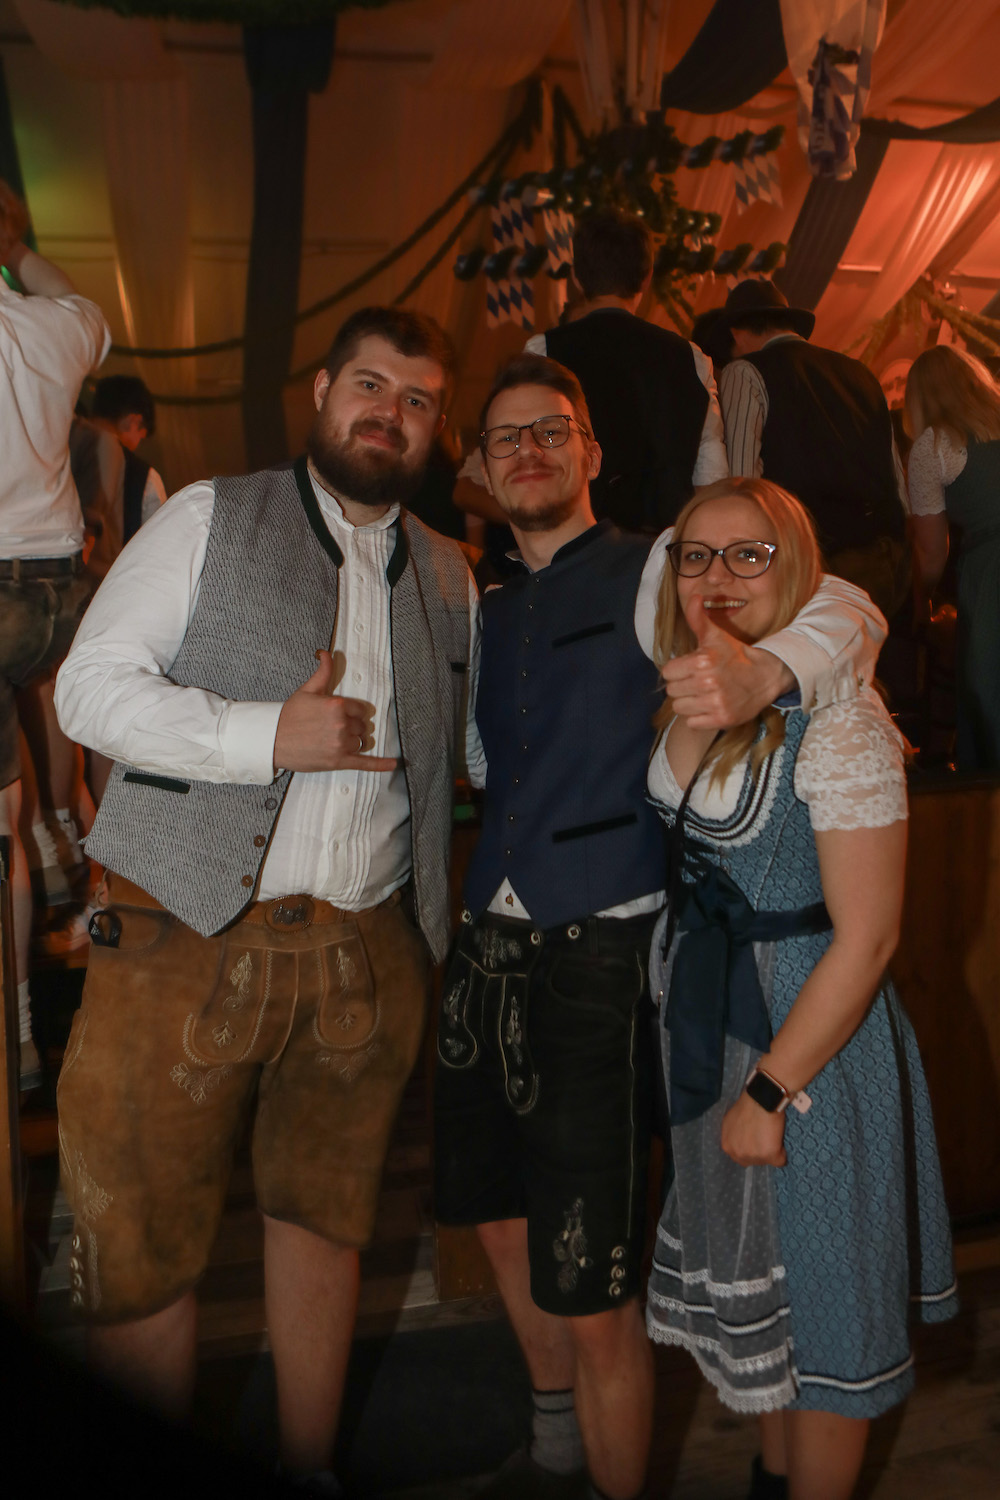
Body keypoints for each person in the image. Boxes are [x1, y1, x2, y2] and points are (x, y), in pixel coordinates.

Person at [433, 353, 888, 1500]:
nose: (530, 450)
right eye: (506, 437)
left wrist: (765, 674)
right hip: (485, 944)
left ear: (590, 451)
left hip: (598, 944)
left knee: (591, 1264)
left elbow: (846, 603)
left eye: (553, 429)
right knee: (495, 1217)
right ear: (479, 466)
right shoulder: (487, 602)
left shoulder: (659, 566)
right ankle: (552, 1445)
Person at [54, 306, 478, 1494]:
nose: (389, 412)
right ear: (324, 391)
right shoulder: (207, 514)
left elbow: (469, 748)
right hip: (178, 941)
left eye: (417, 400)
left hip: (366, 953)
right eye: (370, 384)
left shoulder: (452, 571)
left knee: (328, 1226)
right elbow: (87, 688)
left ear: (435, 429)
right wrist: (262, 736)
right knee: (142, 1252)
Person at [644, 477, 956, 1500]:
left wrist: (770, 1089)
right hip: (716, 1029)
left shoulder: (841, 720)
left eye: (751, 554)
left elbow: (868, 941)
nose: (719, 577)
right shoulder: (692, 691)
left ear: (798, 574)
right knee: (770, 1312)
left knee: (826, 1314)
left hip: (807, 1045)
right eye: (697, 555)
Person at [0, 178, 110, 1088]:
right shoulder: (52, 327)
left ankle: (18, 1035)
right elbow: (83, 306)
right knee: (41, 710)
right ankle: (59, 836)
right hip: (53, 589)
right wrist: (15, 247)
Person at [524, 207, 729, 531]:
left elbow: (530, 460)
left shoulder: (544, 351)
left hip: (574, 543)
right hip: (663, 546)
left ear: (576, 276)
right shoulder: (690, 358)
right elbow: (711, 481)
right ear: (647, 277)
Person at [717, 280, 910, 621]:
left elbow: (744, 485)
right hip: (882, 562)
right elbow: (898, 483)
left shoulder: (744, 372)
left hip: (808, 566)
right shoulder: (861, 373)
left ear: (737, 333)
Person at [905, 344, 1000, 770]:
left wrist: (921, 600)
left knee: (989, 694)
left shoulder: (934, 446)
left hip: (992, 571)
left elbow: (931, 552)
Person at [90, 373, 168, 547]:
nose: (136, 446)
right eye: (140, 436)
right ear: (133, 421)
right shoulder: (144, 477)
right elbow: (158, 547)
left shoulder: (62, 453)